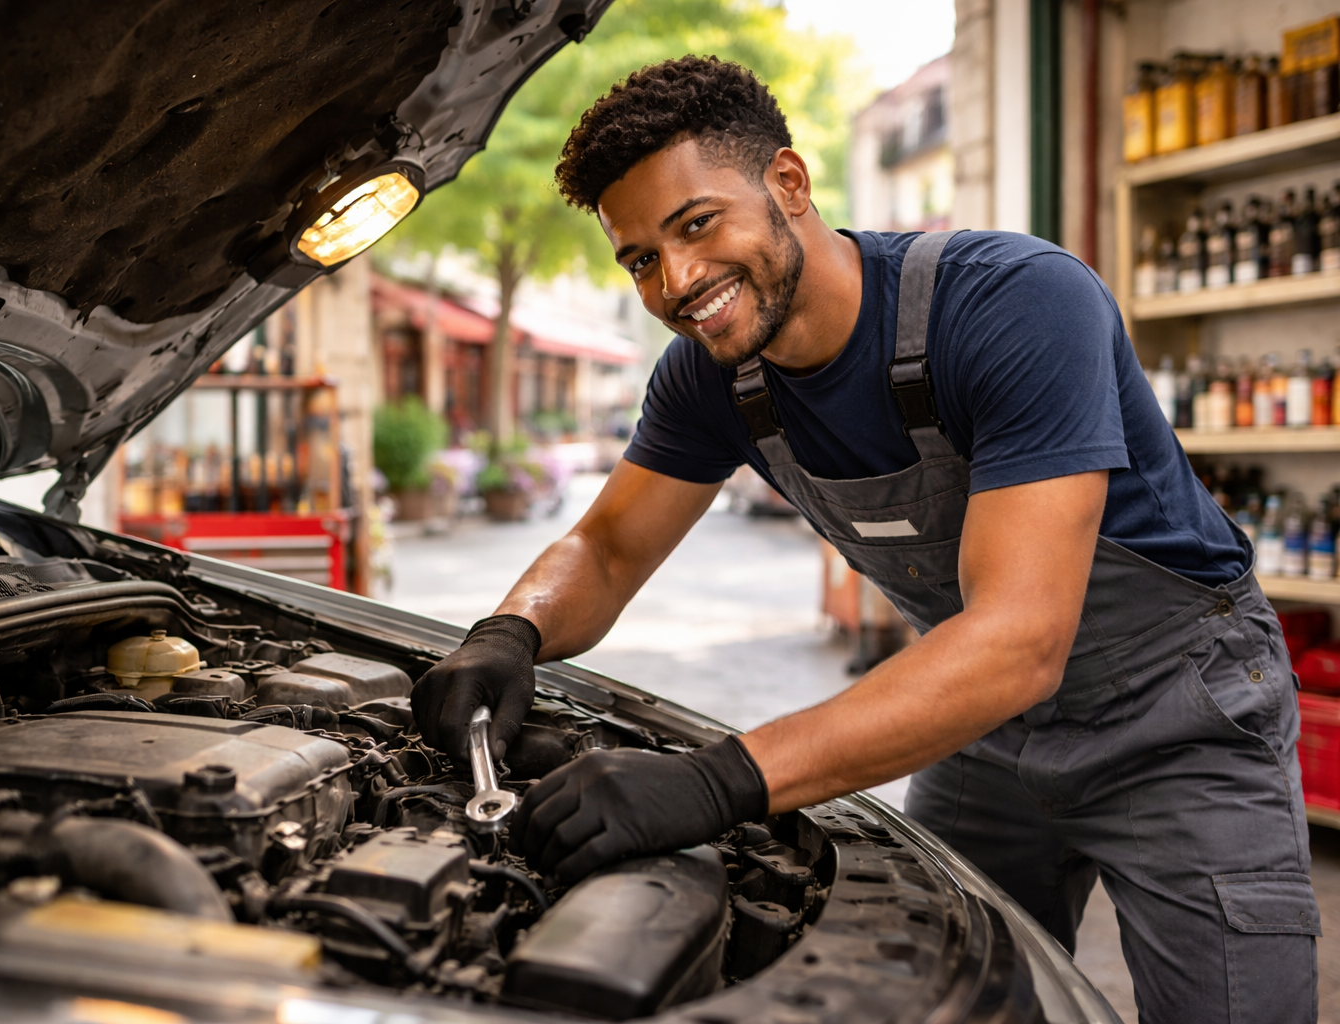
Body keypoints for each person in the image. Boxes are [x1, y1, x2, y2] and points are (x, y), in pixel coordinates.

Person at [410, 56, 1318, 1022]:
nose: (676, 281)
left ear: (789, 185)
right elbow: (607, 550)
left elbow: (1020, 638)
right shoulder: (709, 378)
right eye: (640, 259)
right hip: (981, 728)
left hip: (1177, 721)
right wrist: (508, 634)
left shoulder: (1013, 304)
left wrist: (721, 782)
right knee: (948, 998)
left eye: (696, 224)